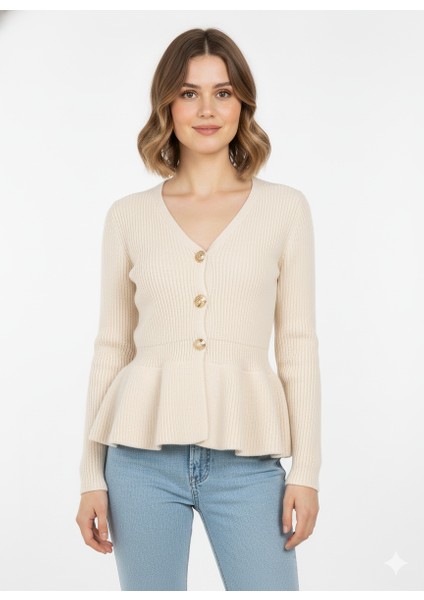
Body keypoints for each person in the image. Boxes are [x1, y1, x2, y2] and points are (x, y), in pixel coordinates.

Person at [75, 27, 322, 591]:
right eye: (189, 93)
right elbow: (111, 347)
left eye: (223, 92)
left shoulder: (285, 210)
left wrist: (306, 471)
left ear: (243, 105)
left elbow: (298, 346)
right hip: (138, 461)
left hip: (248, 462)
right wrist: (92, 475)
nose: (207, 109)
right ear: (167, 104)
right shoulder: (128, 216)